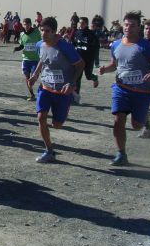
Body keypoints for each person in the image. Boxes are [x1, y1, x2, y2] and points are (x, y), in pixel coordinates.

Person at [99, 11, 150, 165]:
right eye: (126, 24)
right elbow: (114, 65)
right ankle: (121, 154)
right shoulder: (116, 44)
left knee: (136, 125)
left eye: (132, 25)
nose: (128, 28)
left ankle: (144, 116)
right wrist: (104, 69)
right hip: (121, 89)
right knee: (118, 119)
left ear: (138, 27)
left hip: (141, 92)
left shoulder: (145, 45)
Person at [27, 17, 84, 162]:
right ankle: (49, 150)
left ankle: (71, 98)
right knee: (41, 117)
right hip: (45, 88)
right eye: (42, 30)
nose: (44, 34)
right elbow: (42, 59)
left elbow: (80, 64)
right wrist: (34, 75)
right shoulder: (40, 45)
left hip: (62, 91)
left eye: (48, 31)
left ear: (54, 32)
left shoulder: (65, 46)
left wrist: (71, 82)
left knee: (57, 125)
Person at [72, 17, 100, 102]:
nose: (81, 24)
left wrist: (96, 60)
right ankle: (76, 97)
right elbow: (73, 44)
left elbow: (96, 48)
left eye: (83, 23)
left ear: (87, 24)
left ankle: (94, 77)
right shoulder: (76, 32)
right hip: (78, 60)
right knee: (77, 78)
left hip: (88, 59)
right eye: (80, 23)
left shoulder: (91, 34)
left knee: (88, 76)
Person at [13, 17, 41, 100]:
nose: (26, 26)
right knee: (27, 78)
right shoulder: (22, 34)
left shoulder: (36, 32)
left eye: (28, 24)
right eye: (25, 24)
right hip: (26, 59)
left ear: (30, 24)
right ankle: (31, 94)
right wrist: (17, 48)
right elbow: (22, 45)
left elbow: (40, 43)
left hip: (35, 59)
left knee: (34, 77)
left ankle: (39, 91)